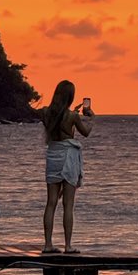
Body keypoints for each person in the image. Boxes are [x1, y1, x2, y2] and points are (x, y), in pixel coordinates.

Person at [39, 79, 95, 254]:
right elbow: (85, 132)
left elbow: (55, 125)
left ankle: (47, 244)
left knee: (51, 203)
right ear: (70, 97)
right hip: (68, 157)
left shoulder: (45, 112)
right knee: (68, 205)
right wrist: (91, 117)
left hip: (53, 156)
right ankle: (68, 245)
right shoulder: (72, 116)